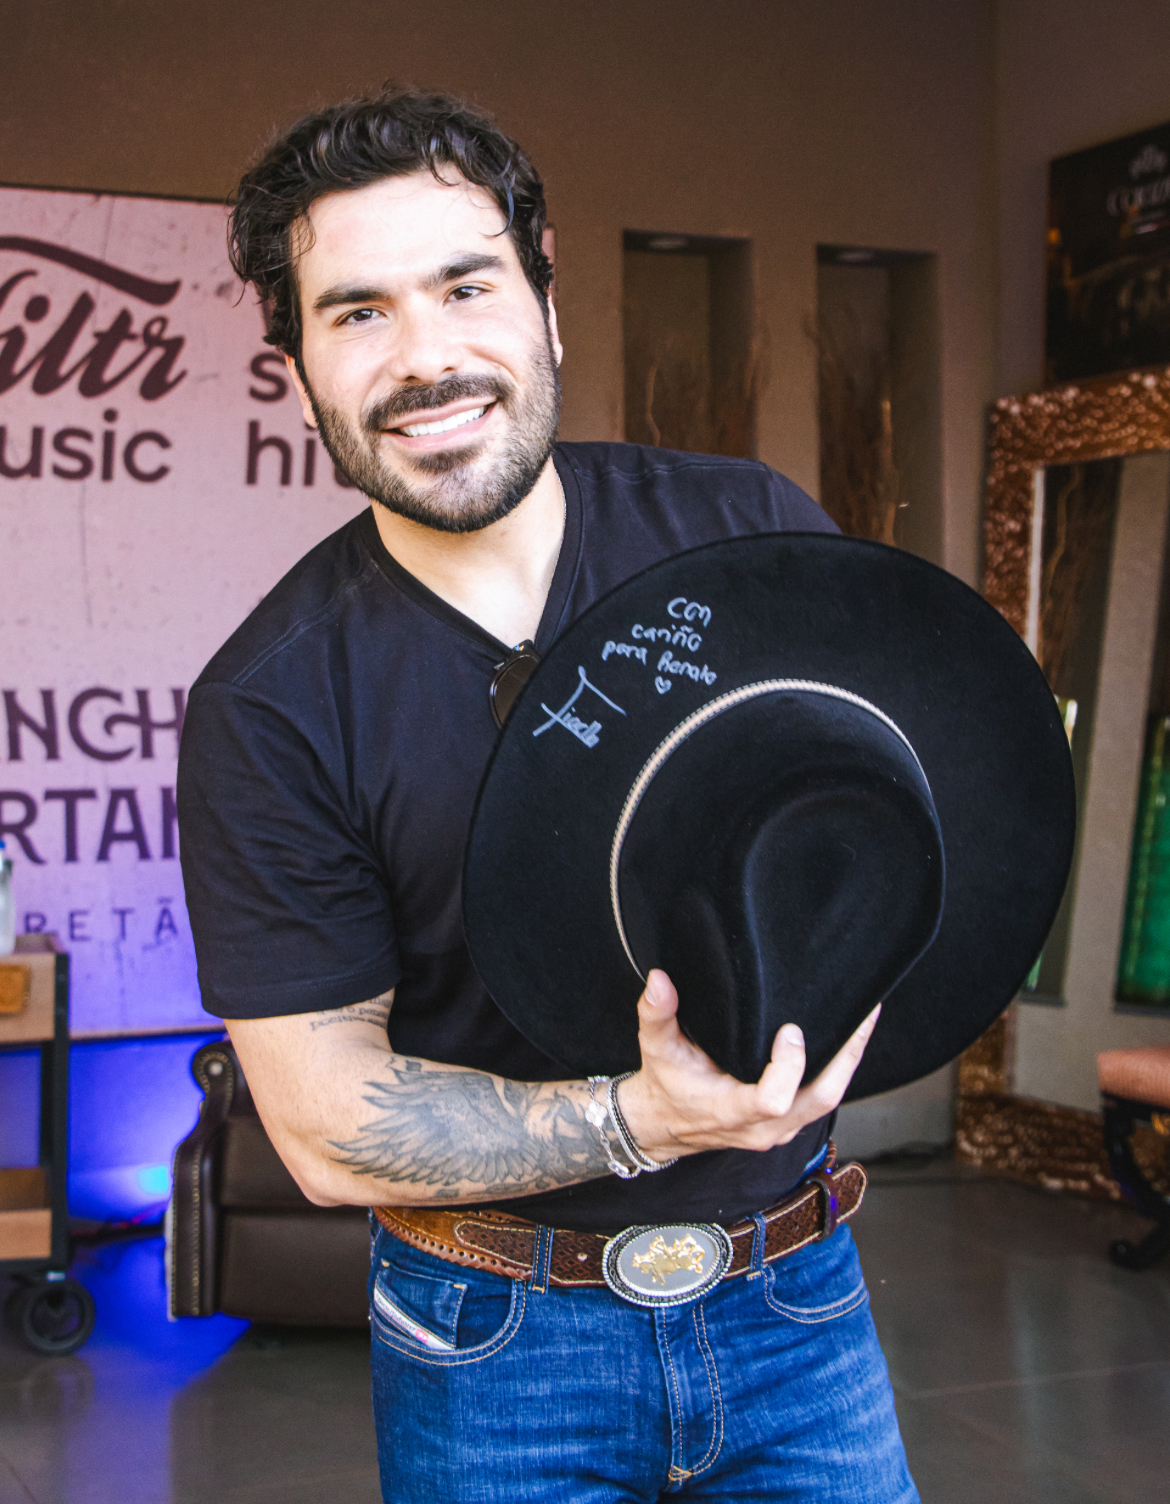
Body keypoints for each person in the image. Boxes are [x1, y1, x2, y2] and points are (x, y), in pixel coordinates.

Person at [178, 86, 918, 1502]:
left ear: (547, 300)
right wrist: (641, 1118)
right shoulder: (269, 705)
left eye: (466, 285)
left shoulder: (747, 530)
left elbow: (887, 820)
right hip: (493, 1341)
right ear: (297, 367)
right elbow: (324, 1126)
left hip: (799, 1299)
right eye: (358, 312)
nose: (426, 358)